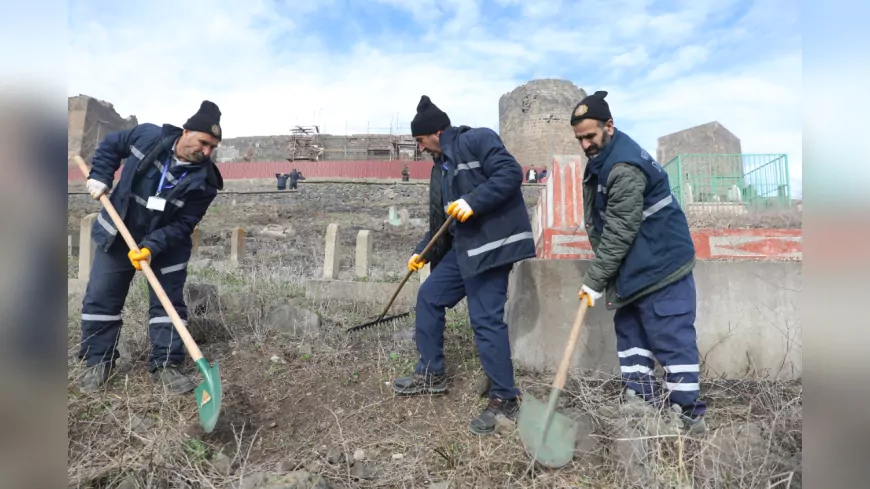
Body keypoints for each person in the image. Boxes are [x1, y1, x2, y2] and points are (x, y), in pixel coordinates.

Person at [392, 95, 536, 435]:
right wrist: (422, 252)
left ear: (436, 132)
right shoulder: (439, 169)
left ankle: (505, 398)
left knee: (484, 319)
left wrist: (473, 201)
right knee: (429, 296)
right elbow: (441, 220)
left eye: (420, 140)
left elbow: (509, 174)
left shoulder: (477, 140)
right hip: (463, 250)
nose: (420, 148)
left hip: (491, 248)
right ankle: (432, 373)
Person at [570, 90, 706, 433]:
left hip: (661, 266)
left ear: (609, 126)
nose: (585, 144)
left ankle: (688, 417)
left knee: (670, 336)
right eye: (579, 139)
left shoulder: (624, 166)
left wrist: (595, 279)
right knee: (630, 332)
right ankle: (640, 401)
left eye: (590, 136)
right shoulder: (604, 160)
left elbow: (619, 230)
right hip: (634, 266)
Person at [77, 100, 225, 395]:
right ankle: (98, 362)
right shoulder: (147, 137)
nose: (207, 152)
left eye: (213, 147)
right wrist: (101, 176)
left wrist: (152, 246)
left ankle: (166, 365)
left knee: (168, 306)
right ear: (186, 132)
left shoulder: (206, 182)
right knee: (101, 299)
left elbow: (184, 224)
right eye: (204, 142)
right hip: (119, 234)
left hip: (166, 246)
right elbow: (110, 145)